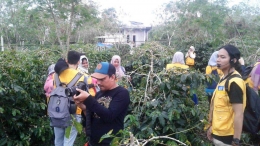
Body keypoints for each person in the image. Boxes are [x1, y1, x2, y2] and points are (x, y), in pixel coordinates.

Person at [74, 62, 130, 146]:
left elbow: (109, 116)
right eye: (97, 79)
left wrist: (88, 99)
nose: (98, 82)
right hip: (93, 142)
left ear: (112, 77)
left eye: (102, 79)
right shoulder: (99, 93)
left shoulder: (122, 93)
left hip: (110, 143)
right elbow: (92, 118)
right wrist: (84, 108)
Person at [207, 45, 246, 146]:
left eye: (223, 57)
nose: (218, 60)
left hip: (227, 137)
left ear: (233, 60)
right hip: (219, 132)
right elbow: (220, 108)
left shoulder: (234, 82)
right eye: (218, 56)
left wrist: (236, 140)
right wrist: (212, 127)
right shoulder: (223, 78)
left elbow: (239, 113)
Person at [53, 51, 85, 146]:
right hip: (73, 112)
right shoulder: (82, 76)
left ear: (67, 60)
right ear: (78, 62)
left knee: (58, 141)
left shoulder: (56, 75)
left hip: (57, 111)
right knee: (68, 141)